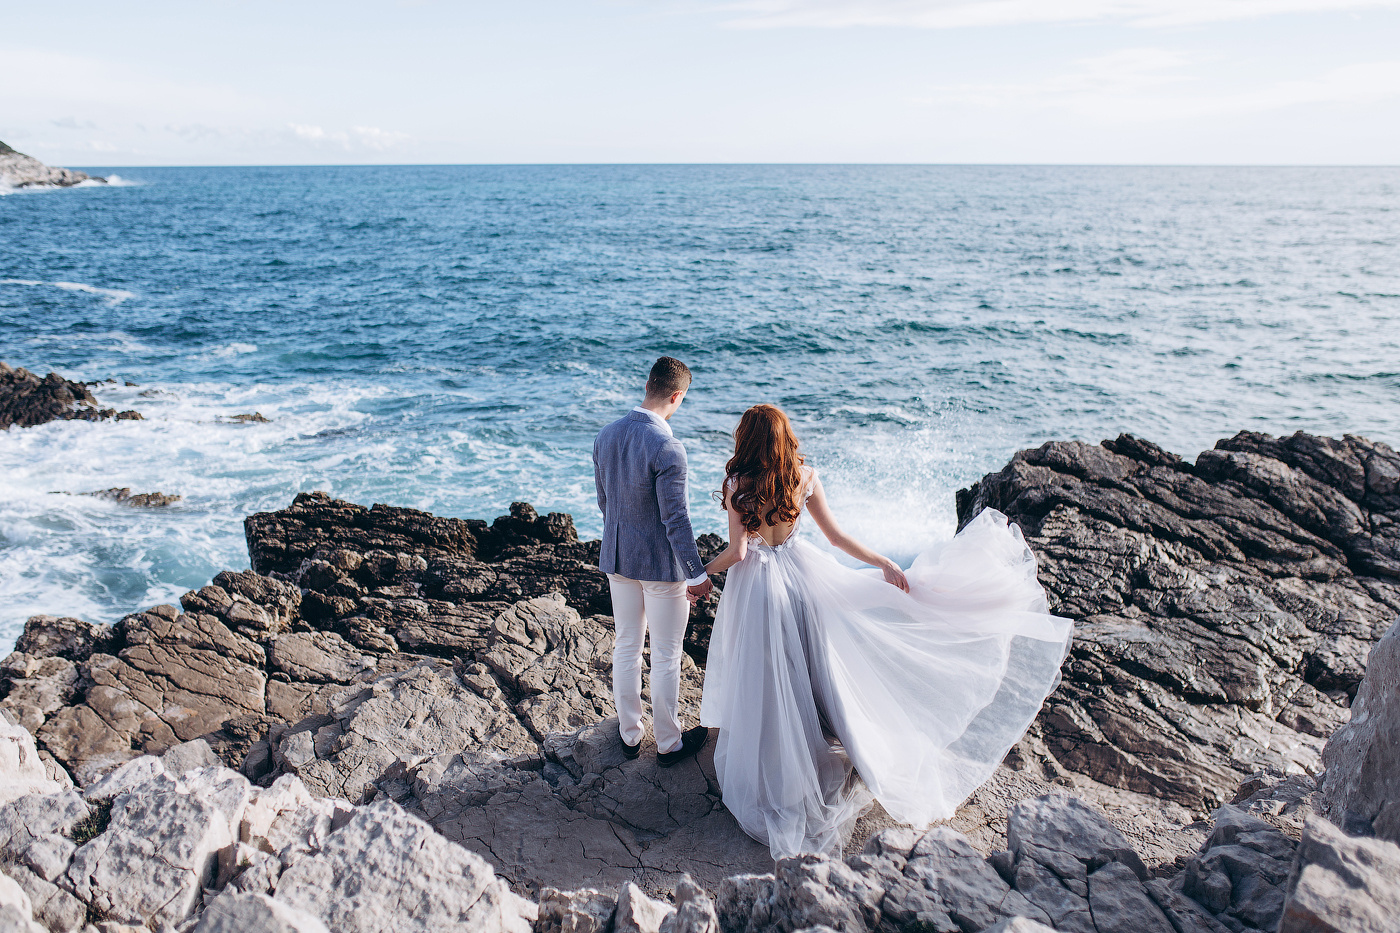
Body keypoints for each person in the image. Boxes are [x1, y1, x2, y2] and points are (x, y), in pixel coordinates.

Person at [699, 404, 1073, 859]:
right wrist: (883, 562)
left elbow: (738, 552)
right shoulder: (803, 478)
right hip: (802, 579)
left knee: (768, 674)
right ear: (784, 438)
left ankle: (775, 760)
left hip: (758, 587)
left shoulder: (740, 486)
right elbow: (836, 539)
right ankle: (825, 745)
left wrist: (699, 571)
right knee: (808, 665)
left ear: (748, 439)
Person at [592, 357, 713, 767]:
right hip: (662, 570)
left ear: (649, 385)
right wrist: (697, 573)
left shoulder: (605, 436)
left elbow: (605, 504)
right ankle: (668, 743)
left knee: (626, 645)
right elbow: (675, 520)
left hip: (618, 560)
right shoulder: (668, 447)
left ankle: (629, 734)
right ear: (677, 396)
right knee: (665, 655)